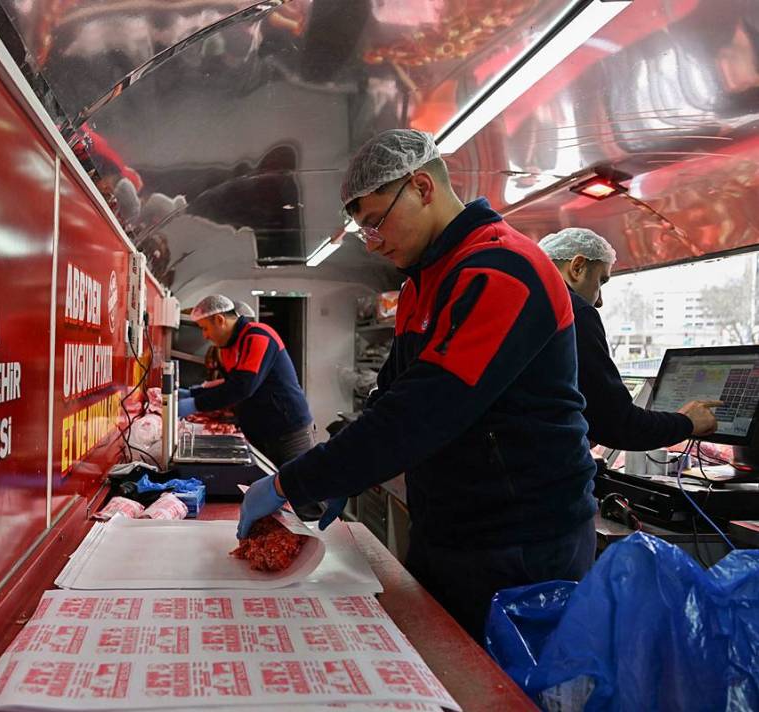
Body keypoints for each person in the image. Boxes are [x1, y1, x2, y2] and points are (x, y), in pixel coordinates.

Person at [237, 129, 598, 640]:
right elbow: (391, 395)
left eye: (375, 222)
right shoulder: (421, 286)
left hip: (523, 539)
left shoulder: (503, 270)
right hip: (450, 524)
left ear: (423, 188)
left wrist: (291, 481)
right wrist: (341, 467)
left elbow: (426, 410)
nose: (374, 241)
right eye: (364, 230)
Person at [538, 228, 719, 449]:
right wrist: (688, 422)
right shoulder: (572, 310)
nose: (600, 301)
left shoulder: (530, 304)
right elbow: (621, 424)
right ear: (577, 267)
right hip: (543, 475)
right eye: (601, 281)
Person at [179, 295, 315, 469]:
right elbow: (230, 383)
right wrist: (193, 393)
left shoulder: (259, 336)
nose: (205, 336)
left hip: (290, 431)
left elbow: (242, 387)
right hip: (262, 432)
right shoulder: (229, 347)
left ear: (220, 320)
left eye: (205, 328)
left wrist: (195, 404)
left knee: (299, 487)